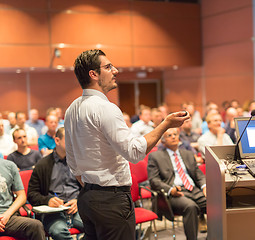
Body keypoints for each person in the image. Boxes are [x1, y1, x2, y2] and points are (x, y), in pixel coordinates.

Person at [64, 49, 189, 239]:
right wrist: (165, 124)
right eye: (108, 67)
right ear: (94, 74)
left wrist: (94, 187)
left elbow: (72, 162)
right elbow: (135, 152)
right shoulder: (106, 108)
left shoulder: (72, 108)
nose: (115, 71)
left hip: (88, 198)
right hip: (111, 200)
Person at [148, 128, 207, 240]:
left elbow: (198, 174)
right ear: (163, 141)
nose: (173, 137)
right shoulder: (156, 157)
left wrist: (205, 186)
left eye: (175, 134)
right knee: (190, 207)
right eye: (169, 135)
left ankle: (214, 236)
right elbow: (154, 180)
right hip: (174, 193)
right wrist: (170, 190)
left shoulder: (188, 154)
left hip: (193, 189)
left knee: (216, 204)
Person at [27, 127, 84, 240]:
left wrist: (79, 200)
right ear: (57, 141)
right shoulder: (43, 165)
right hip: (53, 210)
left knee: (99, 227)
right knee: (59, 232)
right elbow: (32, 194)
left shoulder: (78, 162)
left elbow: (88, 187)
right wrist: (47, 200)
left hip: (77, 207)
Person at [0, 158, 46, 239]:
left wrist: (7, 215)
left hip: (7, 217)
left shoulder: (9, 166)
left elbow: (21, 196)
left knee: (35, 226)